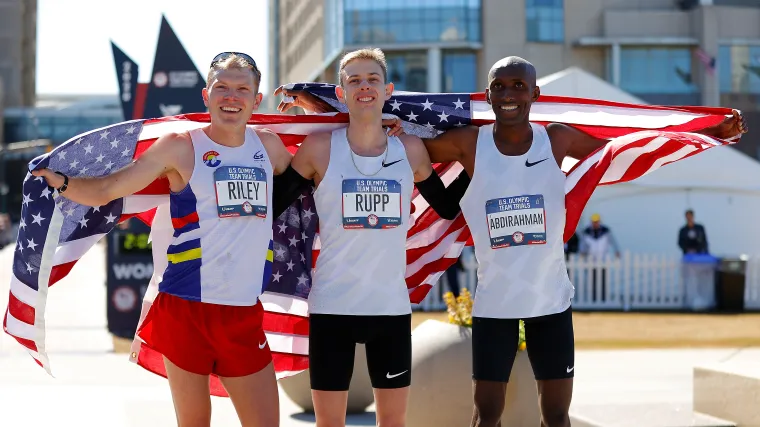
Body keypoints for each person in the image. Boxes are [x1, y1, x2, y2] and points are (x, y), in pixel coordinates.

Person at [276, 55, 748, 427]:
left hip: (551, 304)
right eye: (499, 86)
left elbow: (627, 146)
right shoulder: (468, 143)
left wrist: (704, 131)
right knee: (486, 417)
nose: (509, 94)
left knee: (557, 417)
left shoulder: (557, 139)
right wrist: (322, 109)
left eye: (519, 86)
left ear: (535, 93)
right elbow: (390, 138)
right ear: (487, 94)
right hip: (494, 307)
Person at [32, 52, 293, 427]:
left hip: (242, 312)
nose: (231, 96)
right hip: (185, 309)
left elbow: (316, 167)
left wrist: (366, 123)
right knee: (194, 422)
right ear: (206, 95)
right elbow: (109, 188)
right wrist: (62, 183)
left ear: (257, 98)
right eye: (222, 87)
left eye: (242, 89)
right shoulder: (179, 147)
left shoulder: (269, 148)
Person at [273, 48, 465, 427]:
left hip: (390, 310)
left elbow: (445, 207)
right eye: (354, 80)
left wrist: (479, 158)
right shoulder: (319, 149)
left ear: (388, 89)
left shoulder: (409, 148)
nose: (365, 86)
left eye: (373, 79)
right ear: (341, 92)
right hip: (331, 308)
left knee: (392, 423)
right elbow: (275, 204)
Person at [579, 213, 621, 302]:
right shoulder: (586, 232)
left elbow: (613, 241)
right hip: (591, 260)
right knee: (593, 281)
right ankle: (594, 299)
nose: (595, 224)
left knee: (603, 280)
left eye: (597, 222)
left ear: (599, 222)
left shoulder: (606, 231)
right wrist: (582, 252)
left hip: (603, 260)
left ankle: (603, 299)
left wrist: (616, 251)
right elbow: (583, 244)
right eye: (594, 222)